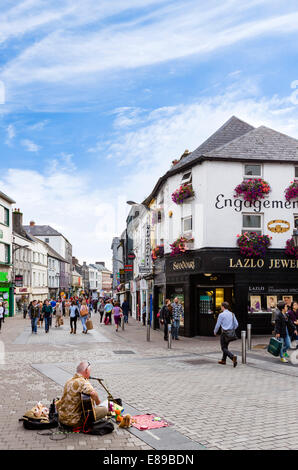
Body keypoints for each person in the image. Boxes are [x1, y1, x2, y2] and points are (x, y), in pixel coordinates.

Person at [56, 361, 108, 429]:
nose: (90, 373)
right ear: (86, 371)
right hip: (74, 421)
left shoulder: (69, 381)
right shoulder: (82, 382)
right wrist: (97, 401)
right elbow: (93, 393)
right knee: (105, 409)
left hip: (62, 419)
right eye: (90, 371)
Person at [214, 301, 238, 367]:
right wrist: (232, 329)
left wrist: (215, 331)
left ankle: (232, 357)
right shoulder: (232, 314)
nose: (221, 307)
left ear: (223, 307)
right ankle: (223, 360)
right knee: (226, 347)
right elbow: (236, 324)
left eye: (221, 306)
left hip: (224, 333)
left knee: (223, 348)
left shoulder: (221, 315)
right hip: (230, 333)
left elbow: (218, 325)